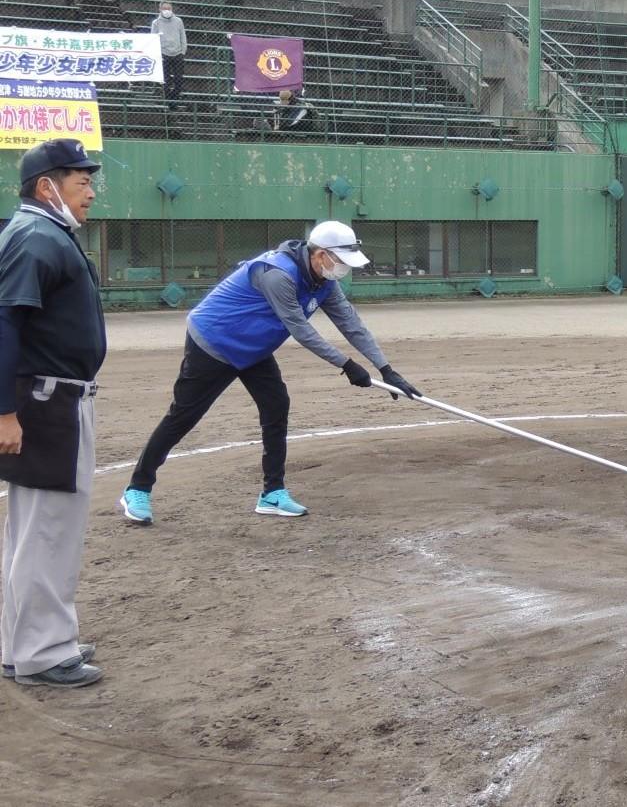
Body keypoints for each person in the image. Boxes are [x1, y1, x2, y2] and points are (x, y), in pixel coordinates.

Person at [118, 222, 423, 526]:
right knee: (183, 416)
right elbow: (301, 330)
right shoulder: (278, 274)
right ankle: (137, 488)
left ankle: (272, 493)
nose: (343, 269)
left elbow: (351, 323)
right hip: (214, 342)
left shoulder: (325, 282)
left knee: (276, 404)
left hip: (254, 348)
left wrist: (386, 369)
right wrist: (347, 365)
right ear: (319, 255)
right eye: (340, 261)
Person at [0, 139, 106, 688]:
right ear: (47, 186)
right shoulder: (37, 236)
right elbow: (4, 324)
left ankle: (24, 644)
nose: (90, 191)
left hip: (48, 398)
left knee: (30, 529)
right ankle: (43, 653)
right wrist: (3, 414)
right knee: (47, 531)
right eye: (81, 181)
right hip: (48, 401)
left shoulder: (43, 233)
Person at [150, 1, 187, 111]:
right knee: (165, 80)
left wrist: (183, 51)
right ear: (160, 10)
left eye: (169, 8)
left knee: (179, 80)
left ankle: (173, 99)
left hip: (177, 53)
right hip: (163, 54)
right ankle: (170, 102)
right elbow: (153, 38)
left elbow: (183, 36)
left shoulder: (178, 21)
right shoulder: (156, 23)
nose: (167, 11)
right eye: (165, 8)